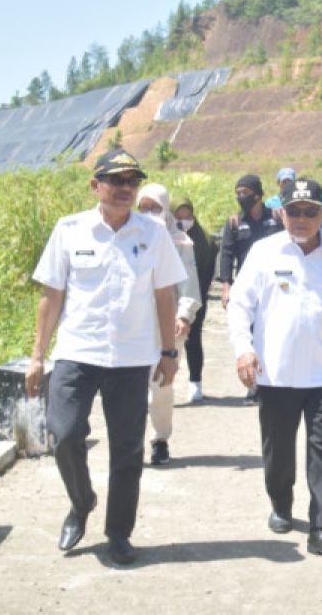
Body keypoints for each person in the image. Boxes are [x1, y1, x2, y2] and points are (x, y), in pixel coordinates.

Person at [26, 149, 186, 565]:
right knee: (64, 434)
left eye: (132, 182)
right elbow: (51, 296)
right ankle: (81, 503)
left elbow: (164, 295)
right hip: (78, 352)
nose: (125, 189)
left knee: (128, 449)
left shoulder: (153, 233)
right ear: (96, 186)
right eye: (116, 182)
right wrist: (37, 356)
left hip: (132, 358)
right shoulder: (70, 230)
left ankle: (118, 534)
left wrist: (169, 352)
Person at [228, 178, 322, 558]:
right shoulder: (263, 253)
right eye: (294, 211)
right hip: (277, 372)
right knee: (278, 449)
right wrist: (244, 350)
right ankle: (281, 501)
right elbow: (239, 305)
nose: (301, 218)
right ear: (281, 213)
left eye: (310, 211)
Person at [136, 184, 202, 466]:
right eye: (143, 207)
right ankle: (130, 442)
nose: (149, 213)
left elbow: (189, 283)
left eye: (155, 208)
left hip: (168, 322)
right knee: (131, 387)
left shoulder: (181, 243)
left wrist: (184, 315)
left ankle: (160, 439)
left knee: (161, 384)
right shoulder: (129, 236)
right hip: (133, 323)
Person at [218, 173, 282, 405]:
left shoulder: (276, 218)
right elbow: (226, 255)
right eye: (238, 193)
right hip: (247, 289)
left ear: (258, 194)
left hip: (275, 286)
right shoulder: (235, 222)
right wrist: (226, 286)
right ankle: (254, 386)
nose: (241, 197)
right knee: (250, 335)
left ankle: (275, 381)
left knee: (273, 333)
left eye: (245, 193)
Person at [172, 196, 216, 403]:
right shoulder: (165, 237)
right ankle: (164, 385)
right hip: (168, 298)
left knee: (193, 340)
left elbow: (208, 271)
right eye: (178, 217)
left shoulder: (205, 239)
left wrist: (198, 297)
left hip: (196, 298)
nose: (184, 221)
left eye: (188, 216)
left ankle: (195, 382)